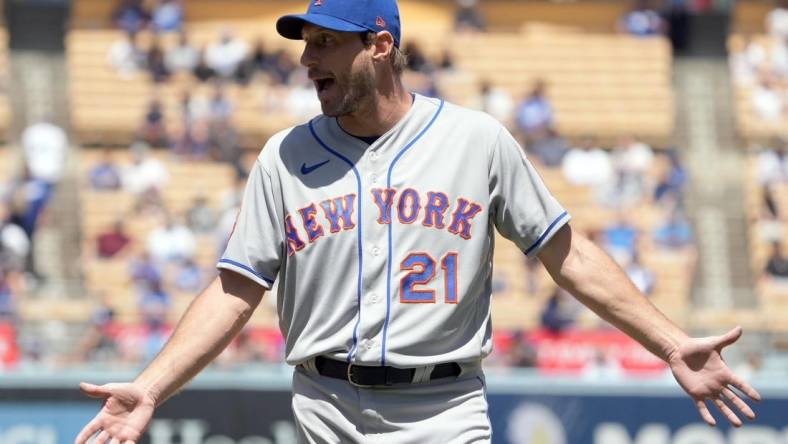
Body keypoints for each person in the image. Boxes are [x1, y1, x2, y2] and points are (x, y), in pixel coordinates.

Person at [75, 1, 761, 443]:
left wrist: (670, 343)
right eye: (305, 43)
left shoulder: (476, 139)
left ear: (379, 45)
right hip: (325, 408)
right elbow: (236, 287)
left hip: (444, 408)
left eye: (325, 43)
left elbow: (566, 252)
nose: (307, 59)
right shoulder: (285, 155)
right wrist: (152, 386)